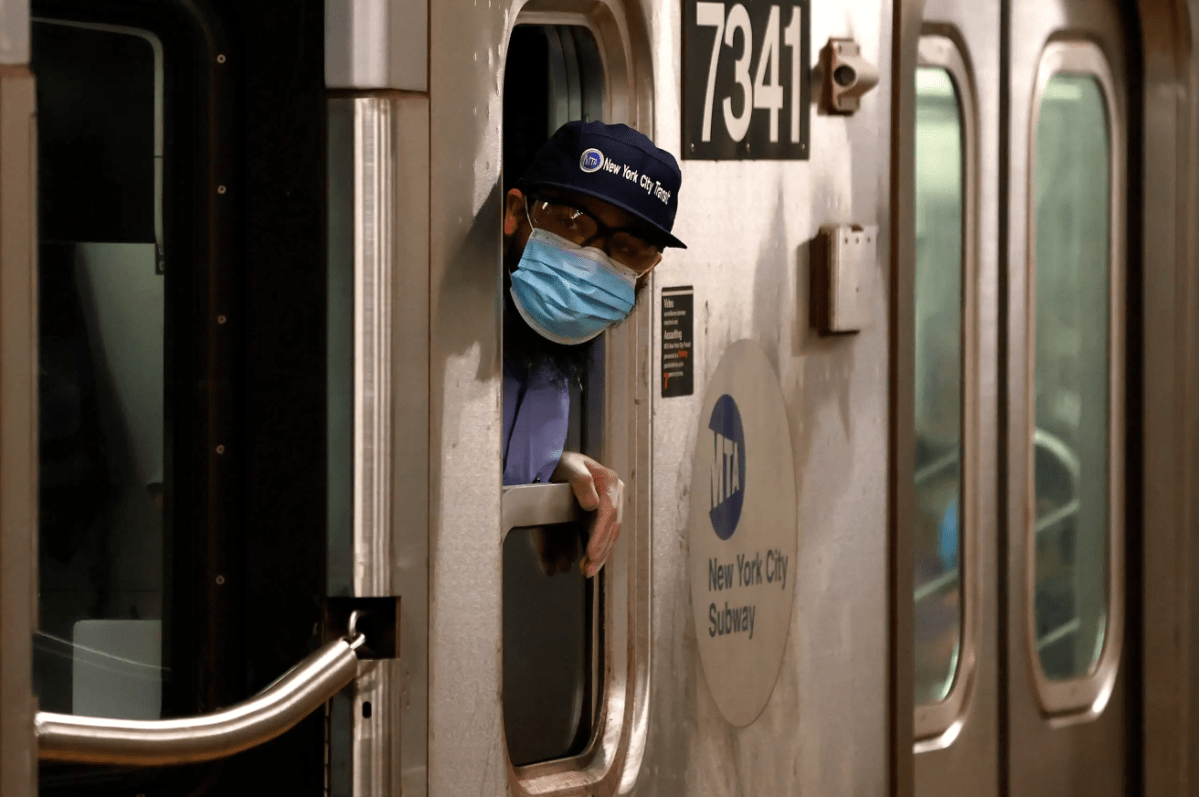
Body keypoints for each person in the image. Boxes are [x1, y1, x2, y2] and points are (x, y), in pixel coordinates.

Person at [502, 120, 685, 578]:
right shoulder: (444, 337)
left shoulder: (550, 370)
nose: (590, 261)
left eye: (626, 248)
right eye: (569, 224)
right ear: (514, 212)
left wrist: (556, 470)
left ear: (647, 270)